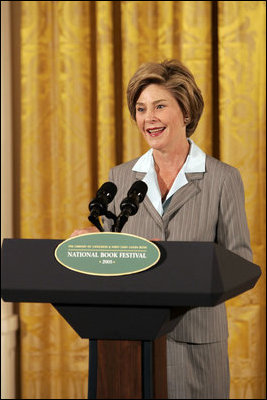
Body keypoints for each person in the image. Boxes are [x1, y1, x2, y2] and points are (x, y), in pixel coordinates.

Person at [71, 59, 252, 399]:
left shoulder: (223, 179)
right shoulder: (121, 178)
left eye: (159, 106)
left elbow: (240, 263)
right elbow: (115, 258)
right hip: (130, 341)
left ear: (185, 112)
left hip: (197, 344)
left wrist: (174, 265)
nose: (148, 118)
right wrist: (94, 248)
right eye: (140, 109)